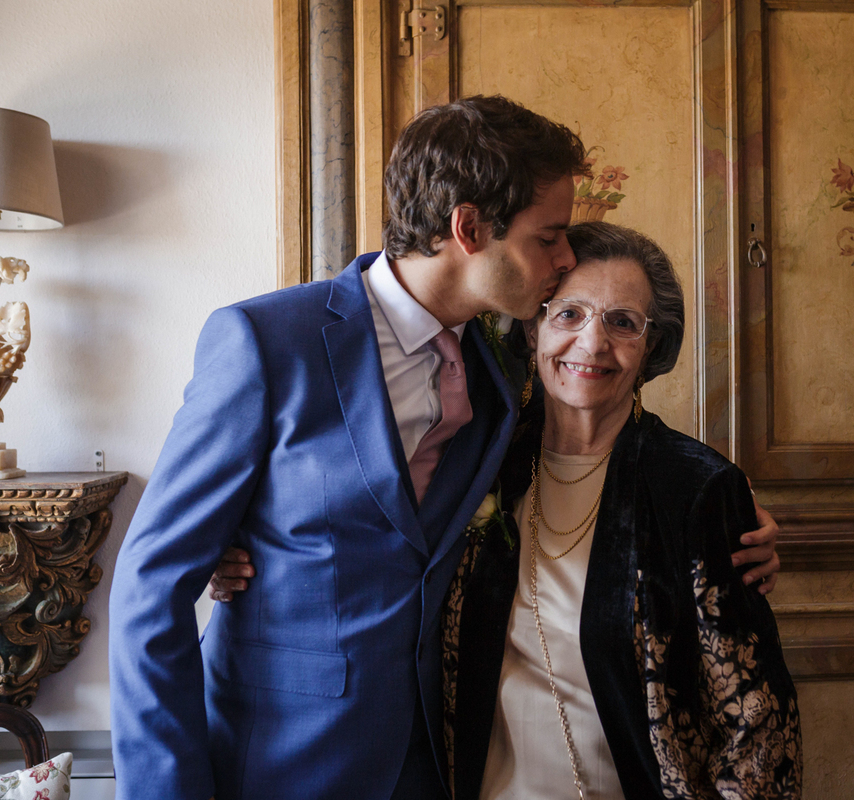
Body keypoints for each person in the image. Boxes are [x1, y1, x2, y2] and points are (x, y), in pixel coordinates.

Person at [111, 95, 782, 800]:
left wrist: (735, 525)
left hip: (442, 767)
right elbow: (150, 593)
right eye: (549, 237)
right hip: (278, 764)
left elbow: (607, 468)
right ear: (468, 228)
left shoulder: (502, 376)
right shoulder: (269, 343)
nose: (565, 257)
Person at [442, 222, 801, 799]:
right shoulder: (478, 460)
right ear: (533, 329)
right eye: (568, 314)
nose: (591, 343)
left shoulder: (696, 490)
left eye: (622, 323)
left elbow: (756, 727)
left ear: (651, 347)